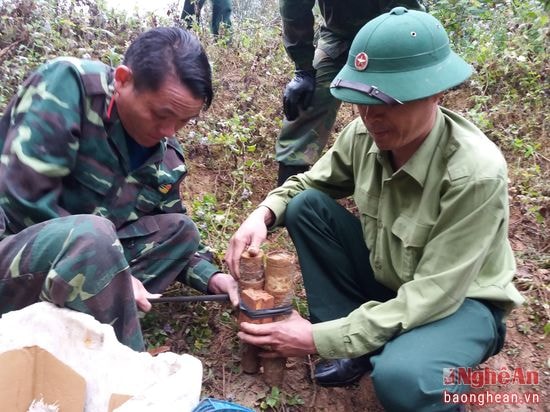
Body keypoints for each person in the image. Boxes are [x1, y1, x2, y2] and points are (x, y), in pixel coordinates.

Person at [226, 8, 524, 411]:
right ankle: (356, 347)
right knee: (304, 206)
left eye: (387, 101)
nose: (371, 115)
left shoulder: (474, 174)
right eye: (362, 100)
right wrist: (262, 213)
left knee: (403, 380)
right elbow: (309, 183)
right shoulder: (365, 133)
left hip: (460, 302)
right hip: (393, 281)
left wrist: (315, 338)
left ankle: (418, 361)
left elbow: (434, 293)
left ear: (436, 92)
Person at [0, 27, 239, 353]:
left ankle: (78, 324)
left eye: (185, 121)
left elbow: (168, 224)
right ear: (123, 80)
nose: (170, 131)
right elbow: (22, 204)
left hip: (84, 257)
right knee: (94, 238)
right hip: (13, 254)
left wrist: (211, 278)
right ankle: (128, 380)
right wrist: (114, 273)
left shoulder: (165, 154)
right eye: (161, 115)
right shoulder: (68, 87)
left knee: (181, 231)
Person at [276, 0, 427, 186]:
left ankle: (406, 180)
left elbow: (408, 14)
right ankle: (284, 199)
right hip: (339, 37)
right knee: (307, 101)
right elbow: (294, 7)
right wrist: (303, 69)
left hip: (392, 33)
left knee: (404, 104)